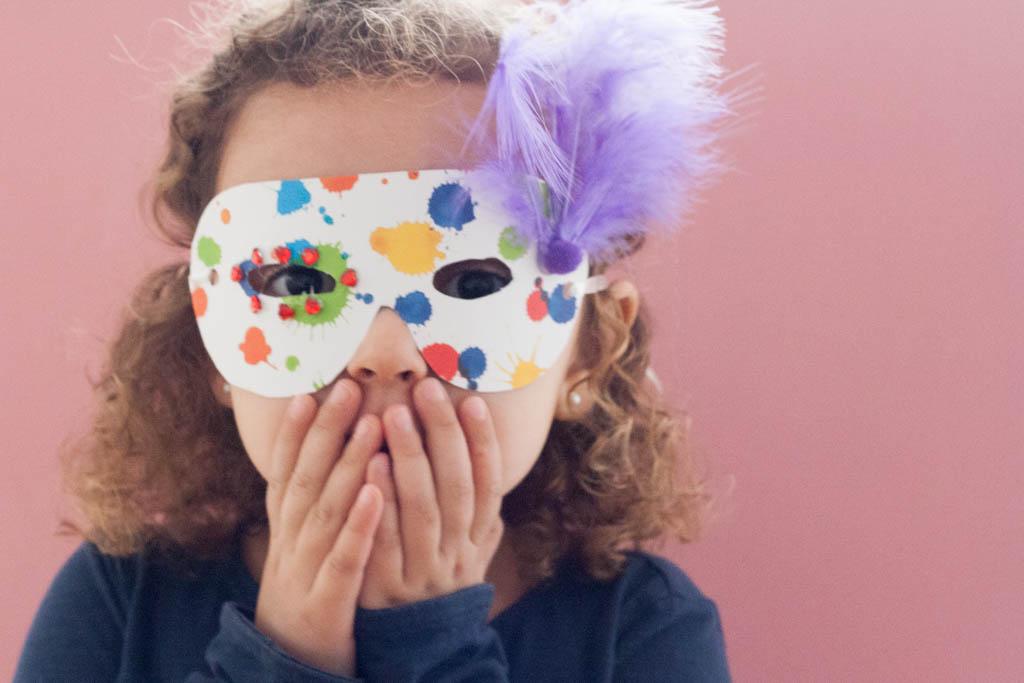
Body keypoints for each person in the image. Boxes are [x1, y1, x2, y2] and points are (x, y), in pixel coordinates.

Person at [15, 0, 746, 680]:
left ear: (589, 351)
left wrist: (435, 647)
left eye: (468, 283)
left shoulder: (645, 631)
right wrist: (282, 655)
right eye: (299, 285)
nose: (384, 353)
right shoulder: (116, 601)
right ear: (209, 344)